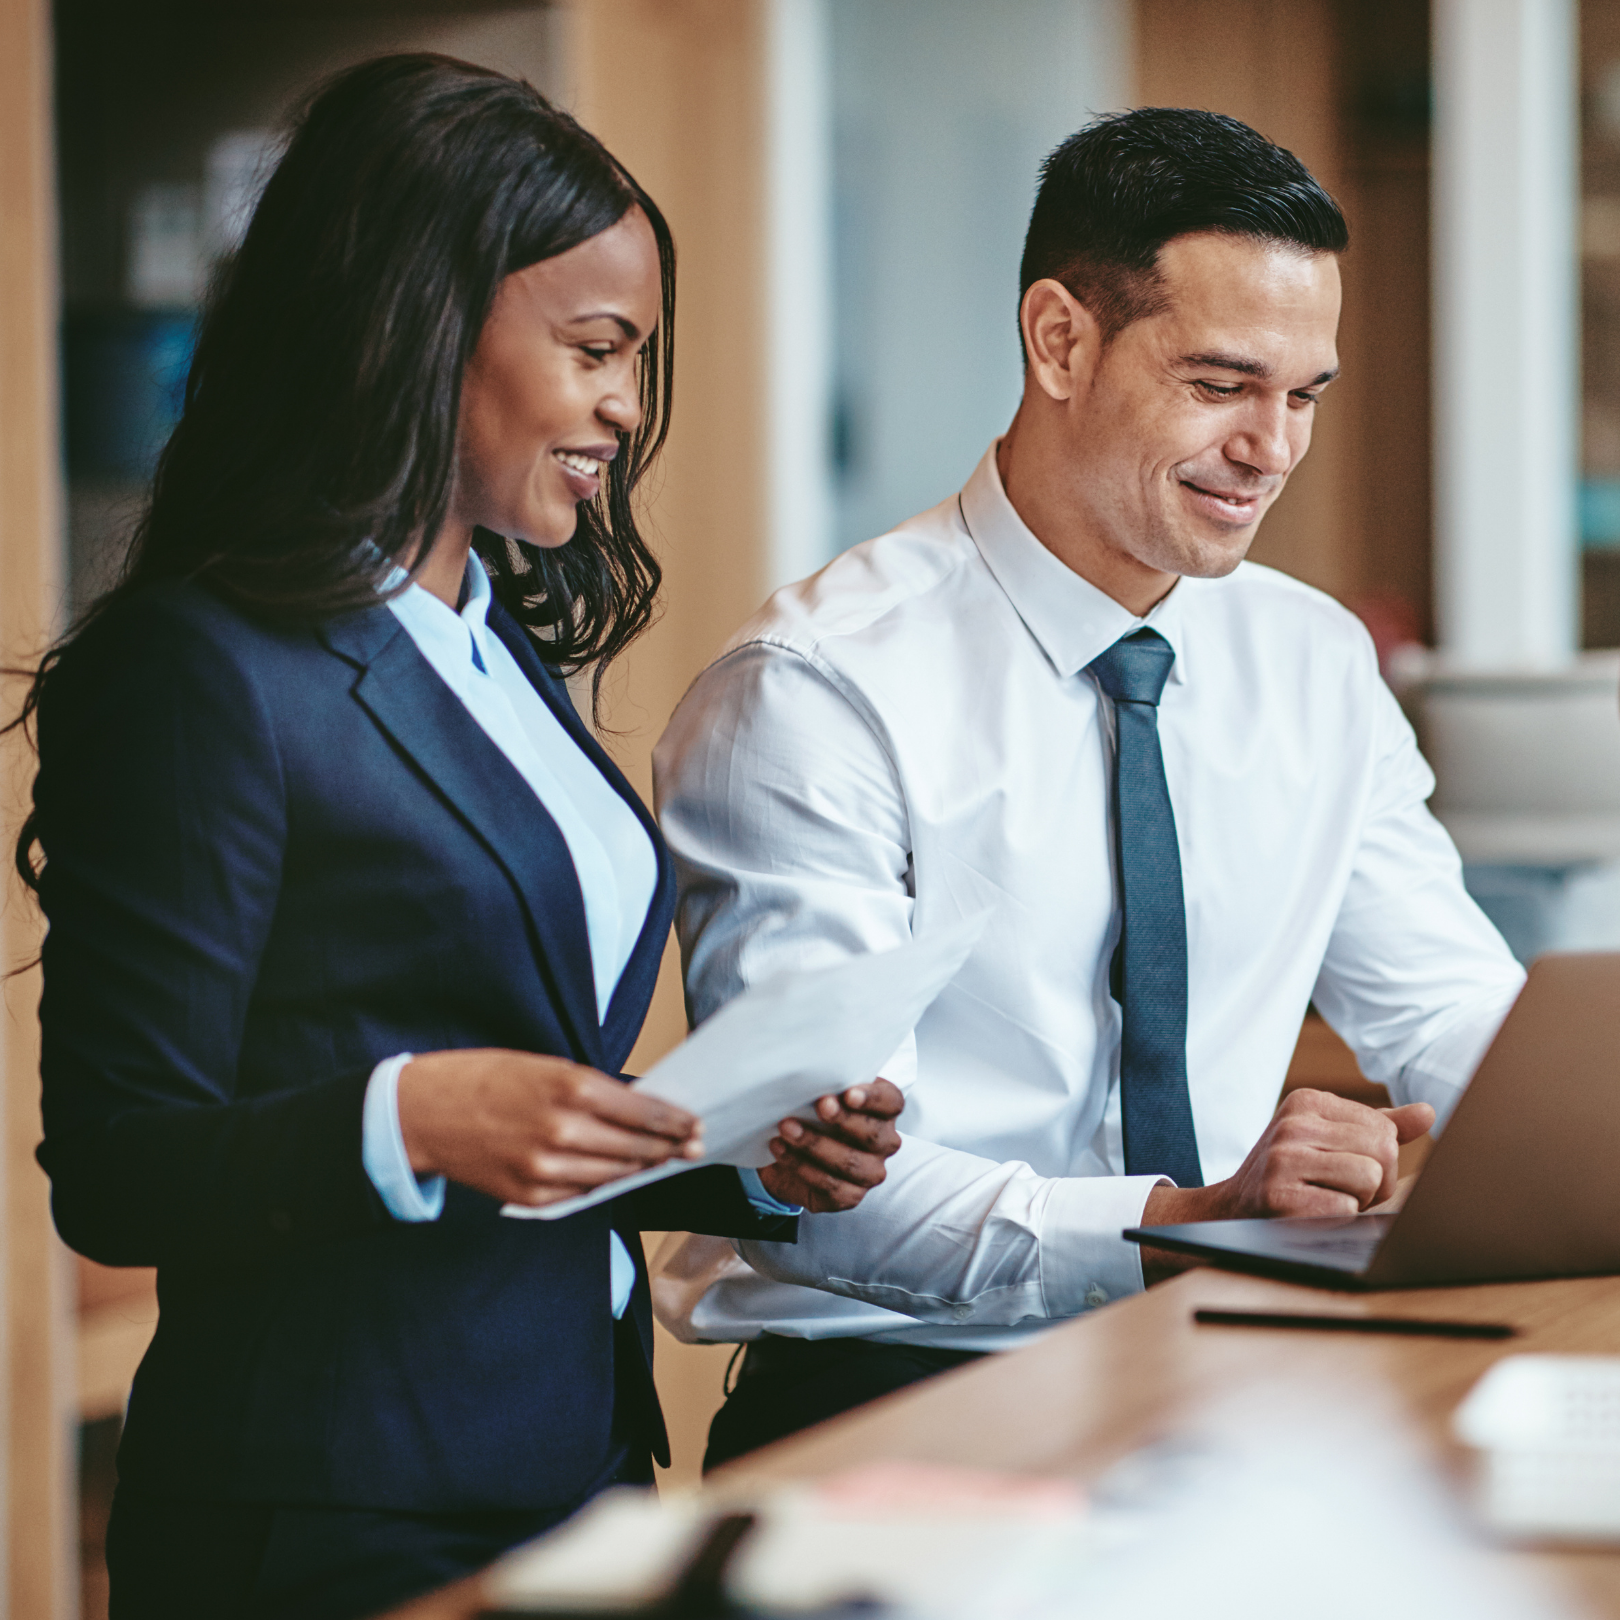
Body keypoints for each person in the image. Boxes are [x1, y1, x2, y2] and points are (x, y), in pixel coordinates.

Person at [18, 55, 902, 1620]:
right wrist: (409, 1115)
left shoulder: (496, 651)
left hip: (577, 1468)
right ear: (422, 322)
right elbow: (118, 1165)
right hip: (330, 1518)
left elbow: (520, 1092)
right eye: (595, 350)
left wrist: (745, 1155)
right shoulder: (204, 672)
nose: (628, 410)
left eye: (638, 359)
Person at [650, 108, 1527, 1470]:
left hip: (1232, 1388)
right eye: (1223, 383)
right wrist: (1193, 1214)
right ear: (1060, 340)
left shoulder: (1313, 663)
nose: (1274, 448)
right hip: (896, 1419)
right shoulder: (819, 689)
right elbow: (826, 1193)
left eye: (1306, 395)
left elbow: (1452, 1013)